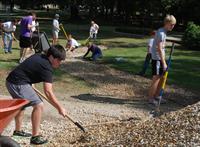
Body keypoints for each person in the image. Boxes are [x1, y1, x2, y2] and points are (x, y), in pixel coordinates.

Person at [6, 45, 67, 145]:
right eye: (59, 60)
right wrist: (60, 108)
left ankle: (17, 132)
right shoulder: (47, 68)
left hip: (12, 81)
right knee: (39, 105)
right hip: (18, 83)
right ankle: (35, 137)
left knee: (21, 105)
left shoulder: (40, 56)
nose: (60, 63)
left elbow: (29, 67)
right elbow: (48, 91)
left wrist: (31, 84)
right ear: (52, 57)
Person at [148, 15, 176, 105]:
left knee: (161, 77)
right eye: (172, 24)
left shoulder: (163, 32)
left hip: (160, 59)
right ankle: (151, 99)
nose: (173, 26)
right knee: (156, 78)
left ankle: (157, 96)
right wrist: (164, 63)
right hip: (157, 59)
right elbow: (159, 48)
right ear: (167, 23)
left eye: (173, 25)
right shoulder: (161, 33)